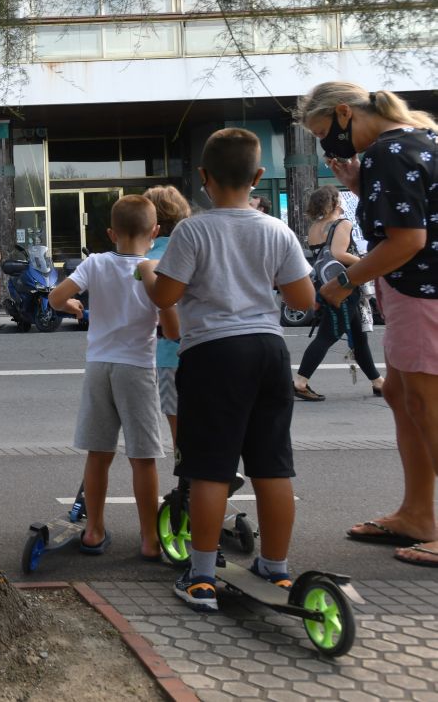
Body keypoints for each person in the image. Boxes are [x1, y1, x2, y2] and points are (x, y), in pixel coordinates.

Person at [142, 128, 315, 611]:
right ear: (258, 176)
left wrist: (152, 275)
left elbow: (166, 298)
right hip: (269, 351)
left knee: (210, 468)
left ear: (204, 178)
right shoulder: (276, 229)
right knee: (272, 466)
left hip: (212, 354)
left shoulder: (194, 231)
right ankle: (276, 570)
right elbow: (303, 299)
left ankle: (200, 575)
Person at [297, 82, 438, 567]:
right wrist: (360, 185)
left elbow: (407, 240)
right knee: (402, 396)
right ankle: (418, 513)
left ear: (343, 112)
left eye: (324, 132)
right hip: (417, 291)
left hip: (422, 291)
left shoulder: (389, 152)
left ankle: (425, 516)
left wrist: (344, 283)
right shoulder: (414, 140)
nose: (328, 145)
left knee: (424, 401)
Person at [49, 196, 174, 561]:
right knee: (143, 457)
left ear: (110, 232)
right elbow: (170, 326)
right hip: (137, 368)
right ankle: (150, 539)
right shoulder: (155, 268)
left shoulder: (96, 262)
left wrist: (74, 305)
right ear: (155, 232)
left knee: (98, 454)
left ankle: (93, 530)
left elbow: (57, 298)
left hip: (99, 366)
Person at [293, 185, 384, 401]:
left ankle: (378, 382)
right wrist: (366, 263)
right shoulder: (342, 224)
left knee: (359, 338)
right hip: (343, 288)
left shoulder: (315, 227)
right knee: (327, 336)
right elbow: (338, 253)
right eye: (340, 199)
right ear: (334, 203)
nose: (343, 203)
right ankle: (300, 381)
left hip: (325, 287)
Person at [144, 186, 192, 444]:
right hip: (208, 347)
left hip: (168, 353)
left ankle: (186, 478)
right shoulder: (198, 250)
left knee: (178, 424)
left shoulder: (146, 261)